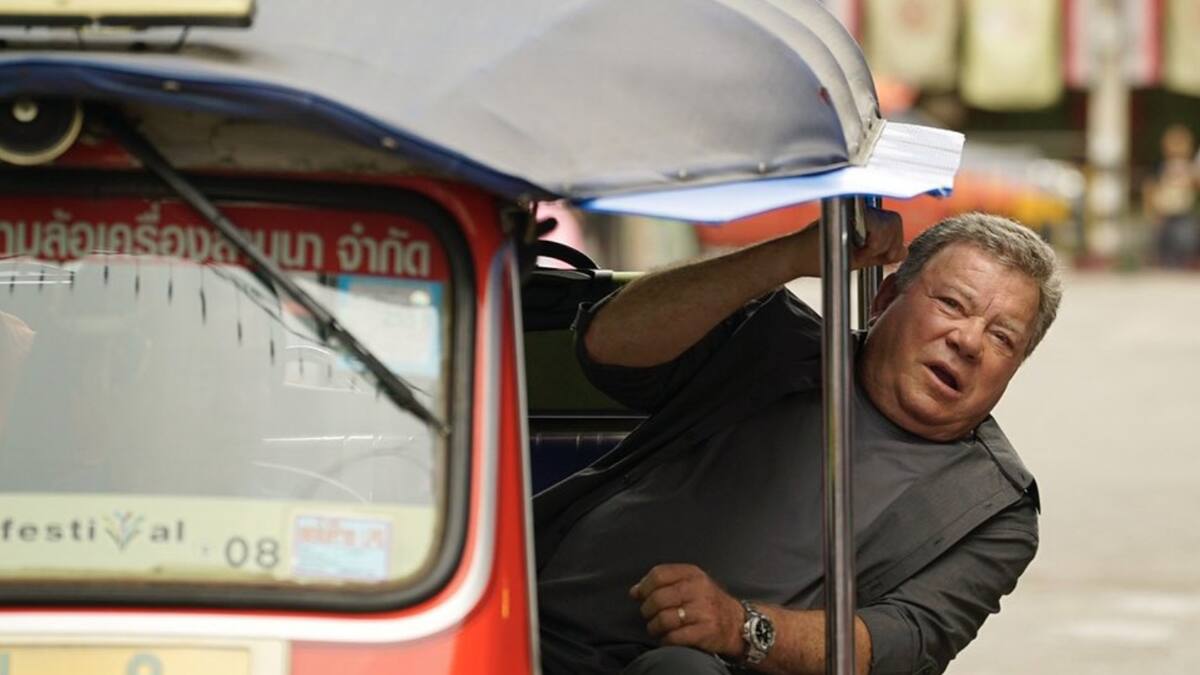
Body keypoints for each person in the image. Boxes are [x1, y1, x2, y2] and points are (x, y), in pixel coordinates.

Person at [533, 210, 1061, 675]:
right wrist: (790, 254)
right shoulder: (772, 339)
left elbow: (900, 645)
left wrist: (741, 626)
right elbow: (608, 345)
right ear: (884, 298)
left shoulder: (992, 510)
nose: (968, 341)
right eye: (951, 304)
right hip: (530, 621)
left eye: (1002, 337)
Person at [1142, 124, 1200, 268]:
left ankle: (1181, 265)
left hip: (1183, 212)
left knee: (1185, 241)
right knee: (1161, 244)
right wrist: (1150, 209)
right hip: (1163, 212)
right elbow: (1150, 187)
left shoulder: (1191, 167)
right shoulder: (1159, 166)